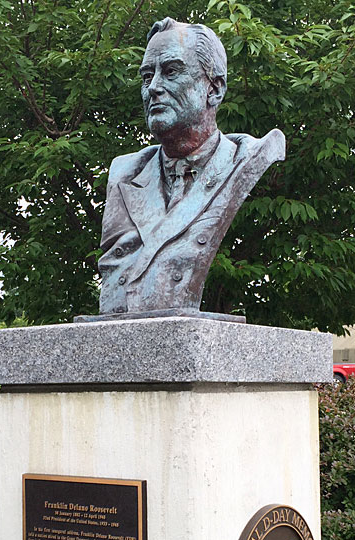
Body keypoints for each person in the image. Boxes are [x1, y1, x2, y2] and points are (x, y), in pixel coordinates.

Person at [96, 17, 285, 317]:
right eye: (147, 76)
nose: (153, 88)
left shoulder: (245, 161)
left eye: (171, 72)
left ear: (214, 89)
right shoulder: (126, 173)